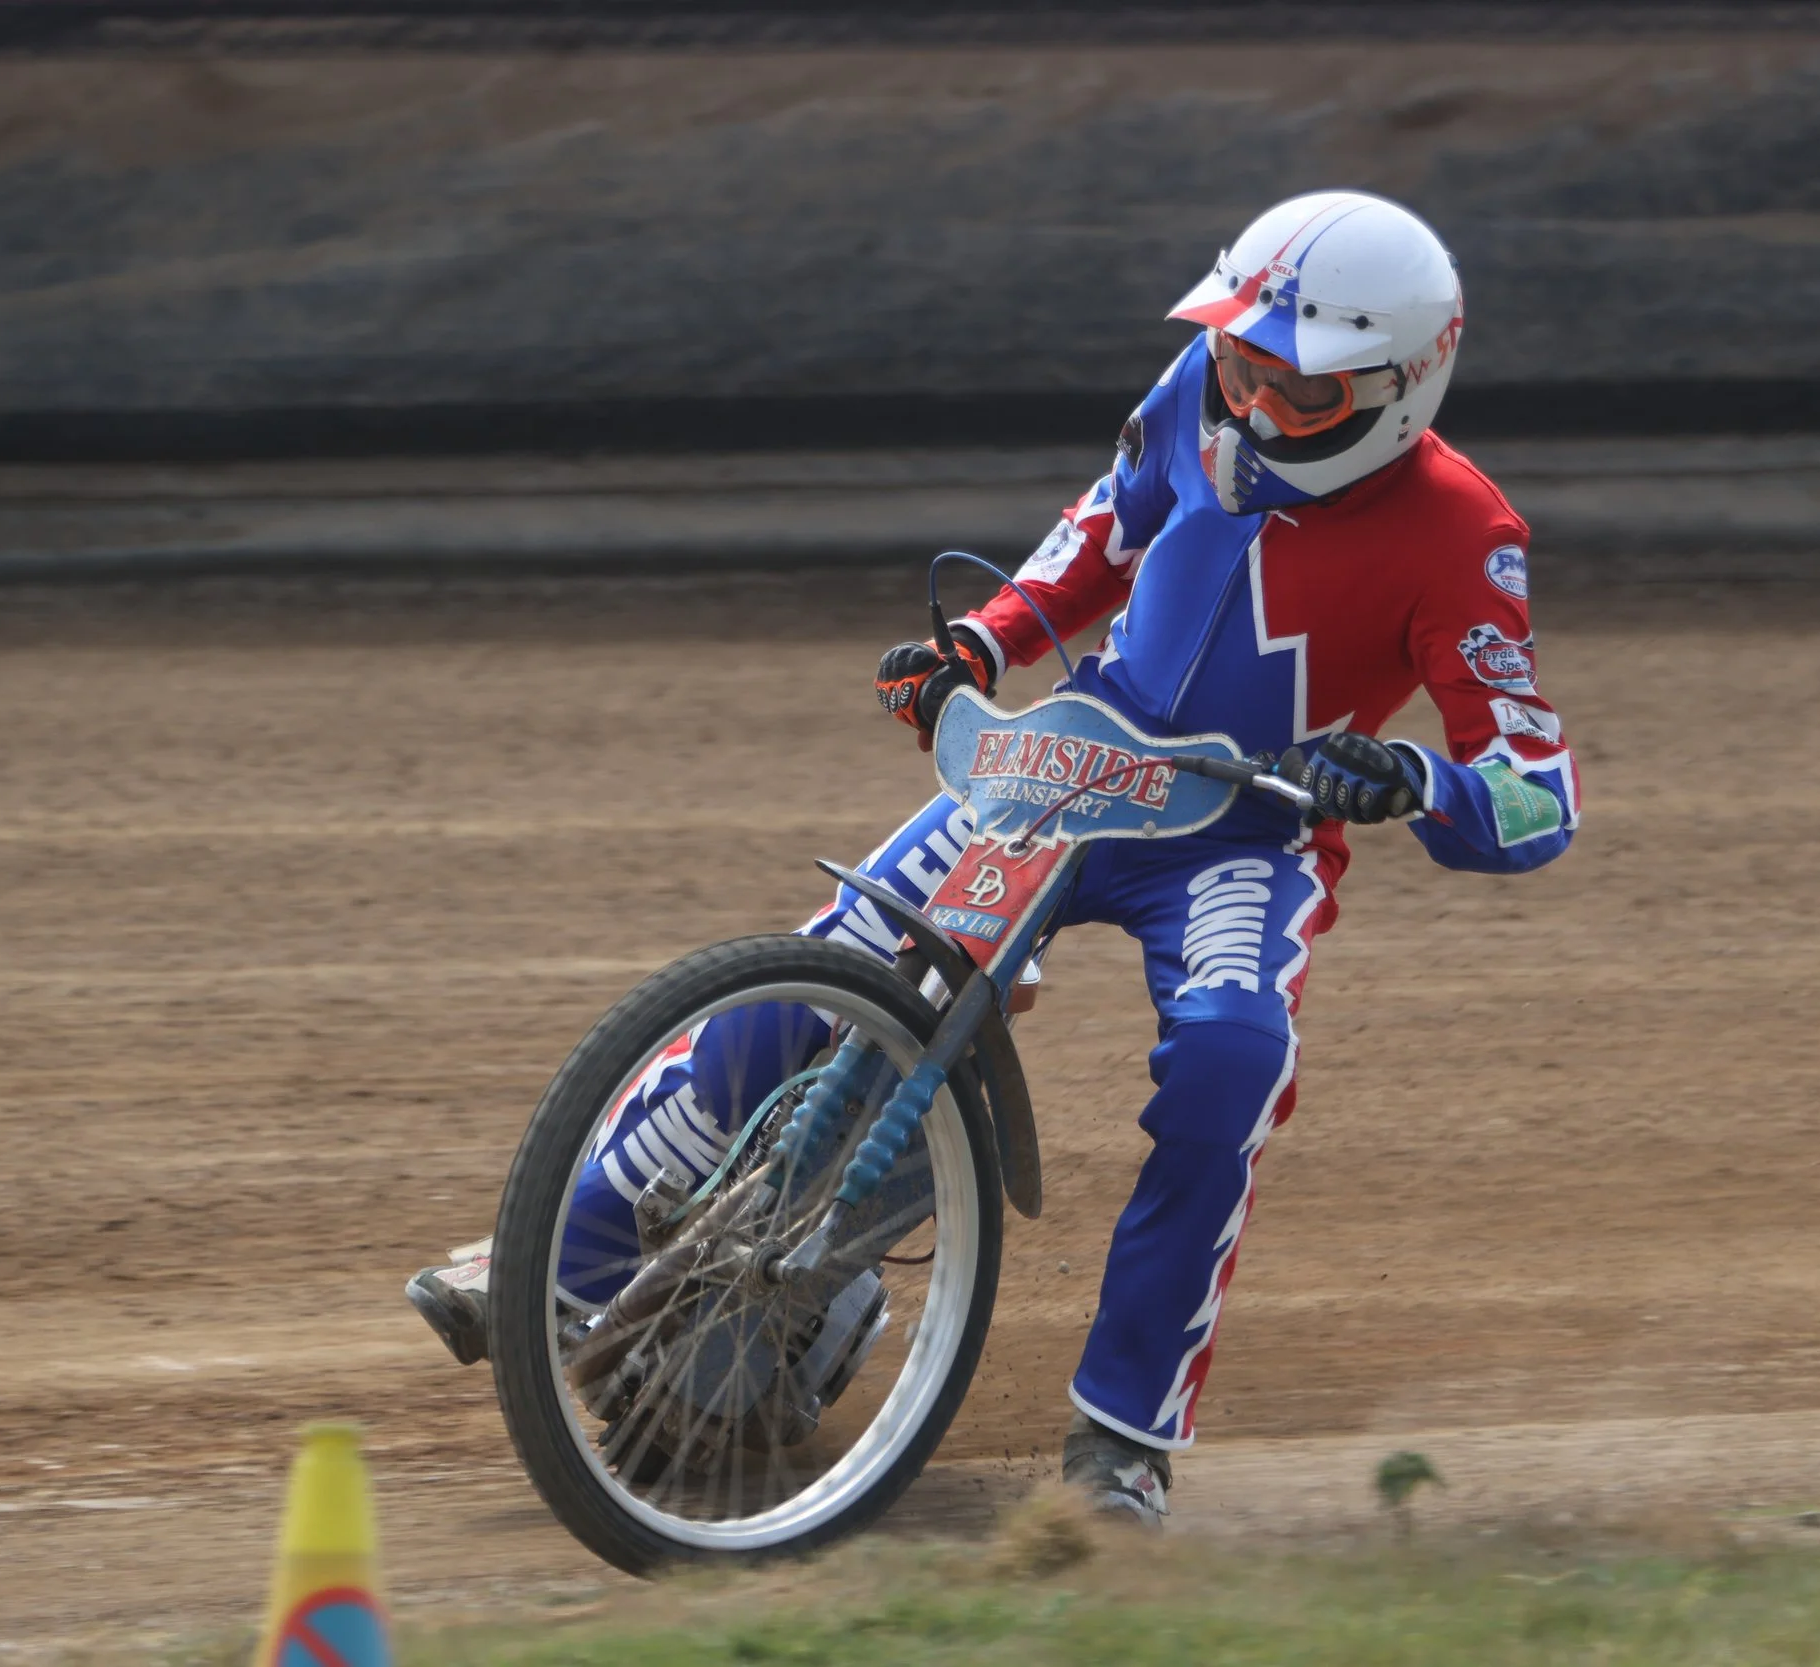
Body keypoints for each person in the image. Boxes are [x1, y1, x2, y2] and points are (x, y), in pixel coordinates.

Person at [407, 190, 1580, 1527]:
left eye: (1298, 393)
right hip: (1074, 760)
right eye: (1238, 363)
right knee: (825, 968)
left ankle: (1123, 1440)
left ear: (1403, 387)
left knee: (1231, 1068)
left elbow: (1540, 793)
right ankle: (552, 1259)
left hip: (1244, 832)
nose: (1251, 408)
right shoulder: (1197, 389)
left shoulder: (1466, 533)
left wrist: (1419, 779)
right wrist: (983, 639)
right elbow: (1106, 527)